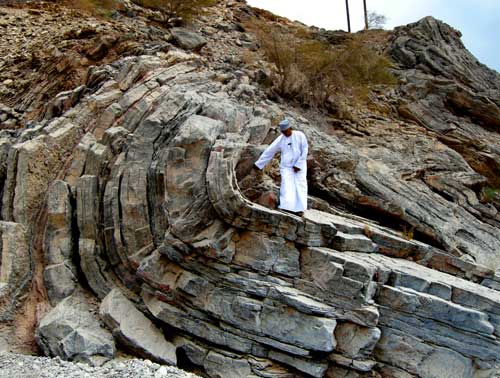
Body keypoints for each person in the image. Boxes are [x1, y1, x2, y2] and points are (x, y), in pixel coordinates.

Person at [253, 119, 308, 216]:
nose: (285, 134)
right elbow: (270, 151)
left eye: (286, 131)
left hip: (300, 167)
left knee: (300, 186)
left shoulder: (300, 135)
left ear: (290, 128)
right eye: (283, 132)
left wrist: (298, 165)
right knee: (287, 186)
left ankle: (300, 209)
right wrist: (259, 164)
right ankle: (287, 207)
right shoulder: (281, 139)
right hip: (286, 167)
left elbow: (304, 150)